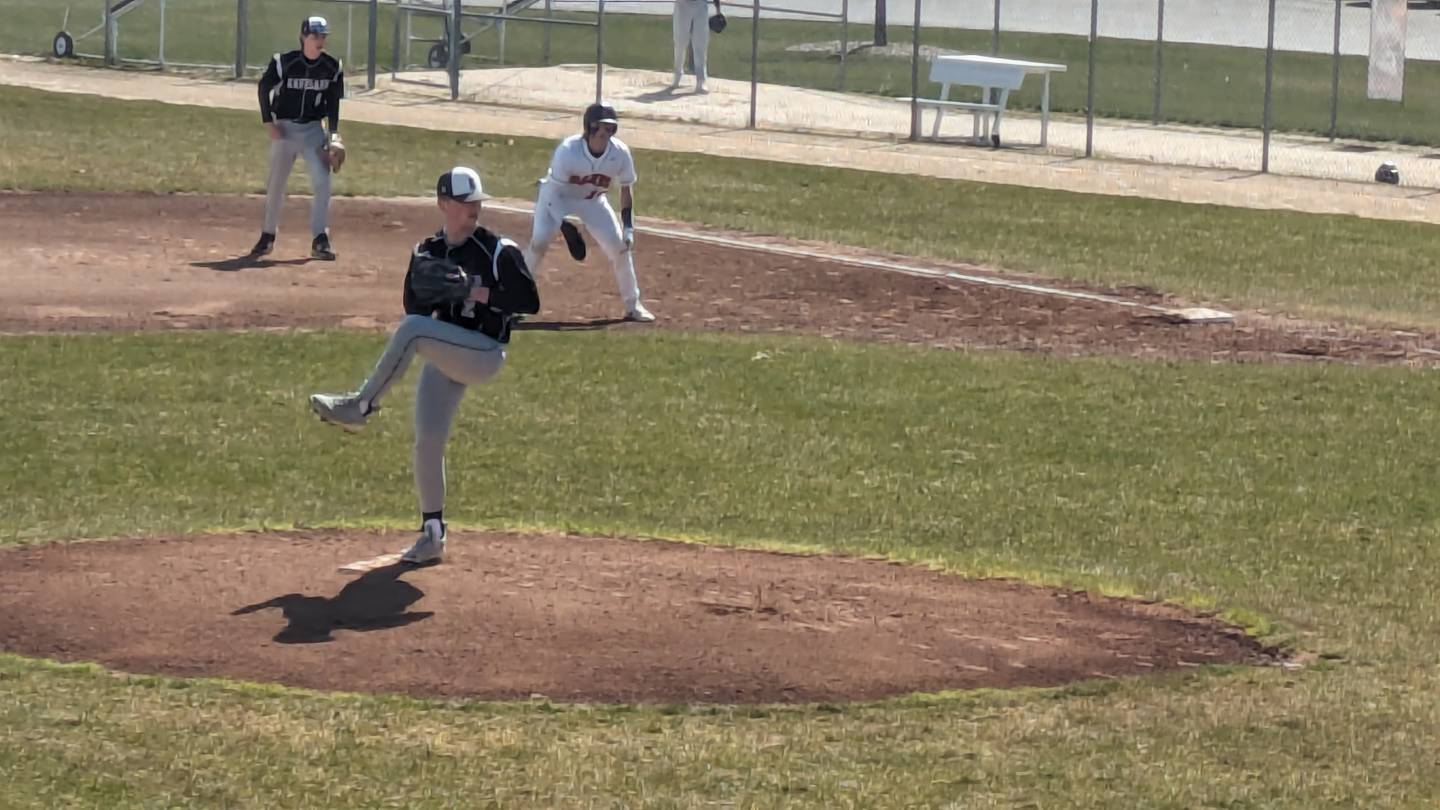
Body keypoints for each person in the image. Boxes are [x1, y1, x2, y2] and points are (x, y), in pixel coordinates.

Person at [309, 167, 540, 565]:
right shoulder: (427, 251)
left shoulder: (498, 250)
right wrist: (434, 292)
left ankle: (360, 407)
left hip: (483, 353)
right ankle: (433, 534)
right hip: (446, 352)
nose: (473, 210)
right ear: (444, 205)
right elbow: (413, 307)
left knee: (414, 331)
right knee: (428, 441)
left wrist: (476, 290)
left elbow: (529, 301)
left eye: (477, 203)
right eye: (465, 204)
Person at [524, 103, 655, 323]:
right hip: (556, 199)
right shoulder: (568, 151)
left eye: (610, 129)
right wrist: (565, 226)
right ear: (589, 128)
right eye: (601, 129)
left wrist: (629, 227)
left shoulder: (619, 153)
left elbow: (626, 189)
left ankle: (633, 305)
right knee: (539, 243)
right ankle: (513, 300)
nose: (606, 135)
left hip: (593, 201)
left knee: (620, 249)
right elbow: (553, 192)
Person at [251, 15, 345, 261]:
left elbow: (333, 103)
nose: (320, 40)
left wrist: (333, 134)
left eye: (323, 36)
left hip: (313, 130)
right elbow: (263, 88)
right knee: (276, 184)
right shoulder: (284, 63)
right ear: (303, 36)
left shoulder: (332, 68)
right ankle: (267, 235)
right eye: (315, 35)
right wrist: (268, 122)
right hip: (285, 129)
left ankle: (320, 239)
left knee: (322, 180)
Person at [672, 0, 722, 93]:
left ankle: (701, 81)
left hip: (700, 5)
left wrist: (718, 9)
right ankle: (677, 74)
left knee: (701, 43)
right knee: (680, 42)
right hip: (682, 4)